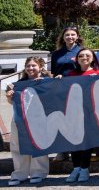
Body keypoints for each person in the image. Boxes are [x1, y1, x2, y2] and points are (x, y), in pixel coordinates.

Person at [6, 57, 50, 186]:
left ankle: (39, 172)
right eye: (28, 66)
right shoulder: (18, 83)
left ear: (41, 67)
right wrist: (9, 97)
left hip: (39, 117)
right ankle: (20, 173)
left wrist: (45, 85)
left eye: (34, 66)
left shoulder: (47, 81)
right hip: (20, 118)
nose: (30, 68)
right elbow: (12, 102)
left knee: (38, 144)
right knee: (17, 145)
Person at [62, 49, 99, 183]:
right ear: (76, 59)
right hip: (73, 112)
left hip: (90, 113)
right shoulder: (70, 75)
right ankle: (76, 168)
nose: (84, 58)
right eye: (81, 56)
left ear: (92, 58)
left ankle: (85, 168)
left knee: (87, 140)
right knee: (75, 140)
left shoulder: (98, 74)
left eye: (87, 55)